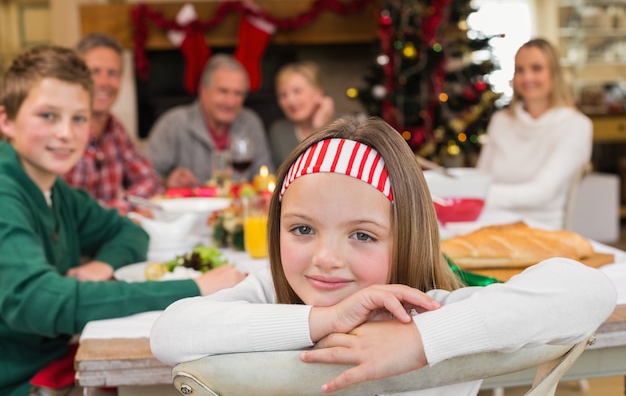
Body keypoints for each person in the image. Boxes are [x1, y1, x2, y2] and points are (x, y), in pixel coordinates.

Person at [150, 116, 616, 396]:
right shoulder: (273, 296)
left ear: (406, 236)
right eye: (303, 229)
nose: (326, 258)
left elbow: (589, 289)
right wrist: (320, 321)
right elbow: (169, 332)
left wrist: (420, 341)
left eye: (363, 236)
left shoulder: (428, 309)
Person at [0, 45, 247, 396]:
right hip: (20, 382)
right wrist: (193, 289)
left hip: (56, 364)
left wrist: (102, 264)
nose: (66, 133)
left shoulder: (54, 189)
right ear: (6, 120)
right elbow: (39, 301)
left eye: (79, 118)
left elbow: (128, 231)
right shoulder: (6, 192)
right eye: (48, 116)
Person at [476, 38, 593, 230]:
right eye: (520, 70)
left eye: (536, 68)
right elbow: (482, 177)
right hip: (490, 225)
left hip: (541, 231)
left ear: (554, 74)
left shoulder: (576, 126)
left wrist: (476, 194)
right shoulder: (501, 121)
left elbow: (542, 193)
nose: (527, 77)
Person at [63, 32, 164, 215]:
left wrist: (119, 205)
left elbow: (150, 181)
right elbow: (66, 213)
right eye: (94, 72)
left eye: (112, 73)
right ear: (75, 78)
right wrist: (120, 210)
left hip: (107, 237)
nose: (103, 82)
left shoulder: (114, 127)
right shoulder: (62, 132)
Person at [144, 54, 274, 188]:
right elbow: (144, 178)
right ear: (203, 91)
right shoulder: (173, 123)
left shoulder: (251, 123)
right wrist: (167, 182)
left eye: (238, 93)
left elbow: (265, 176)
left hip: (239, 207)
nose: (230, 102)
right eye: (223, 91)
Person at [269, 61, 334, 166]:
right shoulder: (279, 131)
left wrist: (319, 127)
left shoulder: (343, 128)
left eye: (297, 91)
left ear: (318, 92)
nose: (290, 100)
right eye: (283, 95)